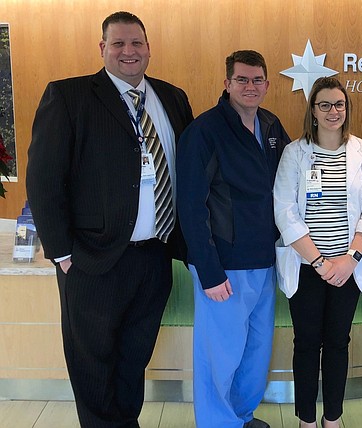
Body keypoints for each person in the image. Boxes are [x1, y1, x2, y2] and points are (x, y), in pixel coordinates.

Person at [25, 11, 193, 427]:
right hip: (92, 260)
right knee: (93, 366)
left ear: (149, 48)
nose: (128, 51)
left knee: (133, 358)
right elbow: (44, 180)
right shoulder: (70, 97)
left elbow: (188, 173)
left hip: (154, 257)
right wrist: (63, 254)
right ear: (102, 49)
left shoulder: (172, 98)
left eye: (136, 43)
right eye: (118, 44)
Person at [176, 50, 290, 428]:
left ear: (267, 84)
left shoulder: (272, 126)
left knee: (255, 351)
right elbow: (190, 205)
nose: (250, 86)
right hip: (223, 265)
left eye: (257, 80)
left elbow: (288, 187)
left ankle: (240, 415)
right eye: (241, 79)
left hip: (265, 260)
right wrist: (208, 270)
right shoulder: (204, 131)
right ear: (226, 84)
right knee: (219, 354)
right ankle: (216, 422)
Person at [273, 77, 362, 428]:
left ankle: (332, 417)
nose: (333, 111)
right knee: (306, 342)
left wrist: (349, 259)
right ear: (313, 111)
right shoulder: (295, 152)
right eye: (325, 104)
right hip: (308, 266)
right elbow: (283, 209)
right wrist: (319, 261)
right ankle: (307, 418)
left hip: (347, 267)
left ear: (346, 109)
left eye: (339, 104)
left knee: (338, 342)